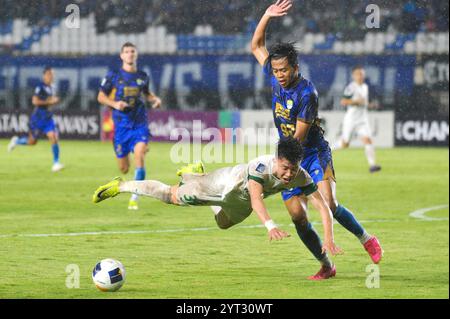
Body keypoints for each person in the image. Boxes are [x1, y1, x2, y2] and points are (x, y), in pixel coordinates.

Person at [251, 0, 383, 280]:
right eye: (275, 71)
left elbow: (298, 138)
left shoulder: (306, 94)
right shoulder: (275, 79)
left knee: (329, 204)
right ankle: (326, 264)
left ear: (295, 67)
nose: (279, 75)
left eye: (284, 70)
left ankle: (365, 238)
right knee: (298, 217)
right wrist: (266, 15)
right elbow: (255, 46)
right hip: (289, 155)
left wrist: (289, 173)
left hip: (311, 153)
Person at [93, 138, 342, 255]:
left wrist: (329, 239)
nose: (288, 175)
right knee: (172, 195)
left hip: (238, 201)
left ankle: (192, 174)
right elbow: (256, 199)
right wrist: (270, 226)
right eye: (285, 168)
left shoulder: (301, 175)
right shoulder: (261, 167)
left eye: (293, 169)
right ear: (276, 159)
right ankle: (122, 186)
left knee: (223, 223)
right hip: (225, 184)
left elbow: (323, 206)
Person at [97, 42, 162, 210]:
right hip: (121, 127)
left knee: (139, 154)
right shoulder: (113, 75)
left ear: (136, 54)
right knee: (124, 169)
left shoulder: (142, 76)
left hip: (139, 122)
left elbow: (146, 94)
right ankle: (134, 156)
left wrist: (155, 99)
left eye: (132, 51)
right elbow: (101, 97)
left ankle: (134, 197)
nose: (130, 54)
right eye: (126, 52)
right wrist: (114, 104)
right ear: (121, 56)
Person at [7, 66, 64, 172]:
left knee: (53, 137)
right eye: (50, 74)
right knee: (32, 142)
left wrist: (54, 100)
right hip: (38, 118)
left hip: (48, 118)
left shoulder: (53, 87)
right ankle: (17, 141)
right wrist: (50, 102)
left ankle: (56, 163)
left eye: (52, 75)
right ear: (45, 75)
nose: (51, 77)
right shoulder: (40, 87)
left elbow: (51, 100)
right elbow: (35, 101)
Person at [332, 65, 382, 173]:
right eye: (358, 74)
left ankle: (372, 165)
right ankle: (327, 150)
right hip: (351, 119)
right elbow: (343, 101)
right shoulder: (351, 87)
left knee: (368, 140)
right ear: (354, 76)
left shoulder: (365, 87)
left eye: (362, 74)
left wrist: (370, 105)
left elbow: (363, 102)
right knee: (345, 144)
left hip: (362, 120)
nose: (361, 76)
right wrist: (356, 102)